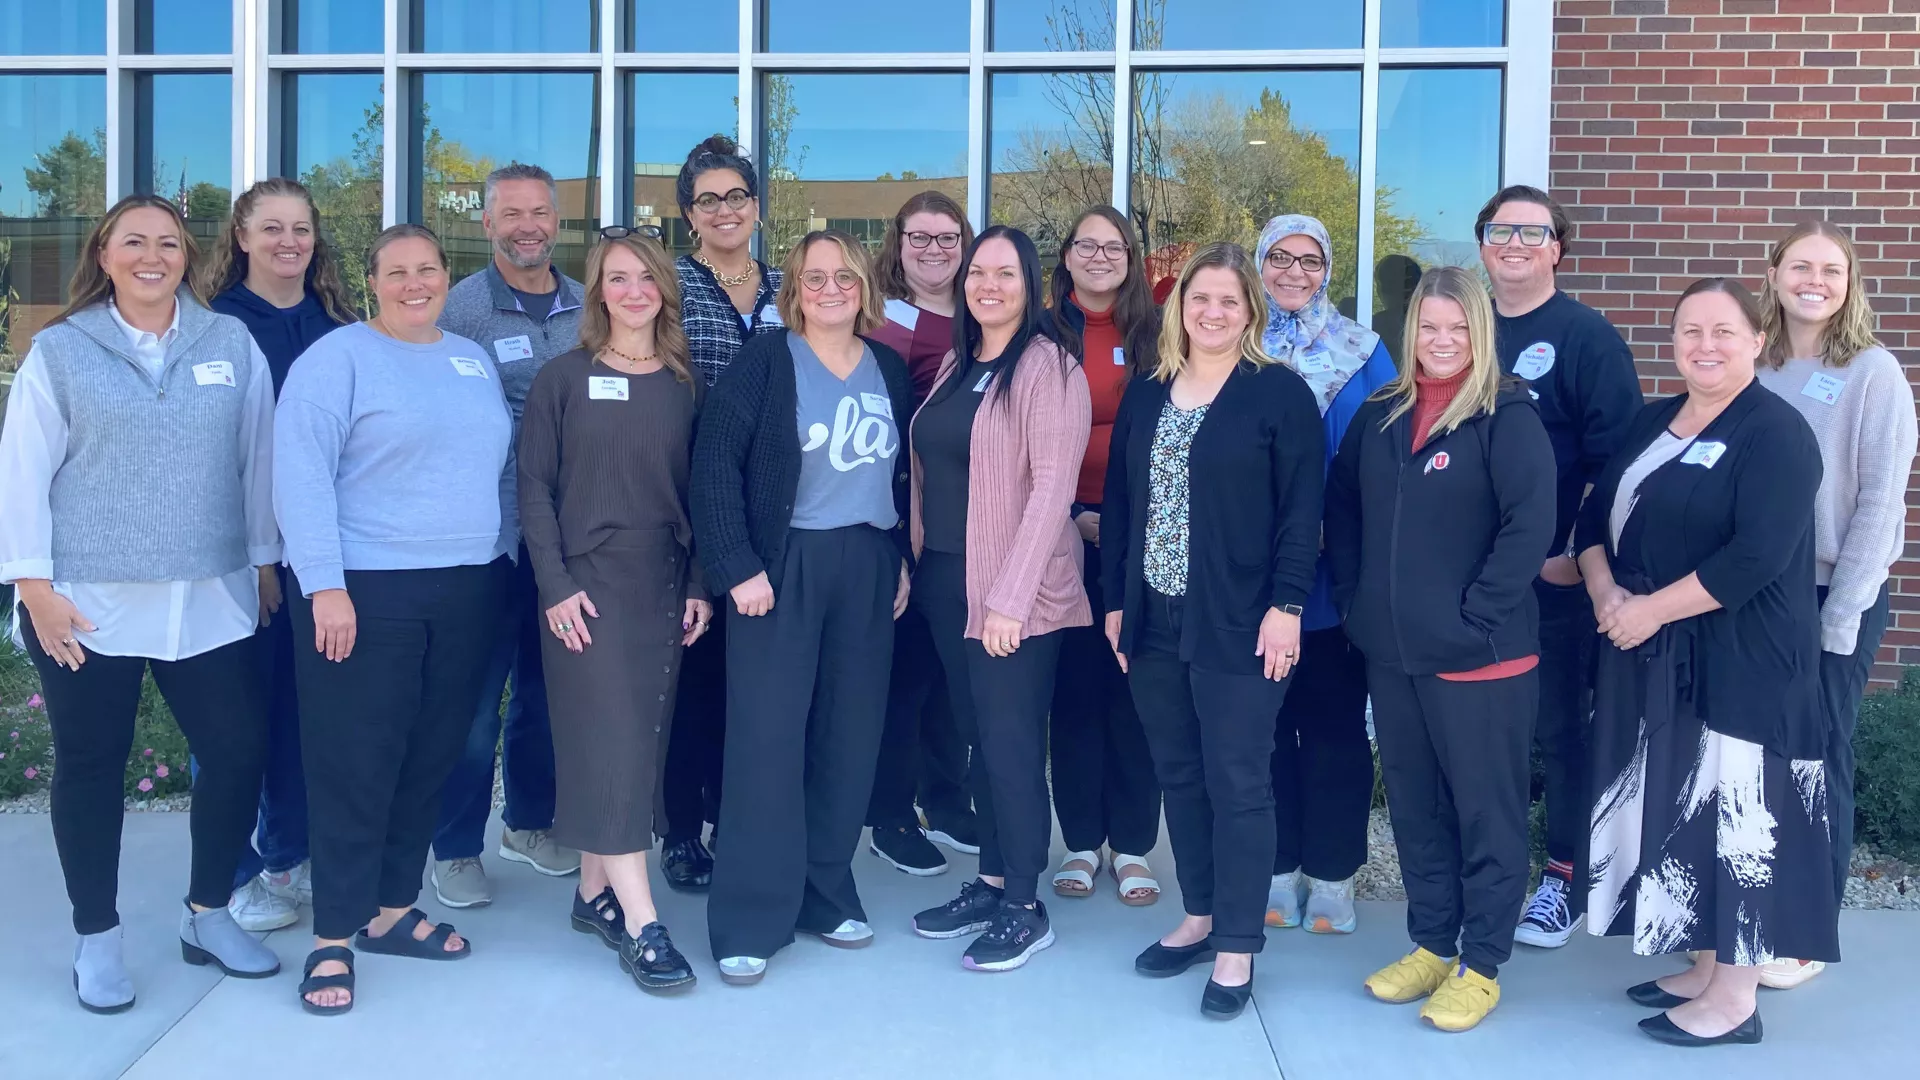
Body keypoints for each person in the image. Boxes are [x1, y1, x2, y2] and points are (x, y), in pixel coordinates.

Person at [0, 194, 282, 1013]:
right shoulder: (62, 349)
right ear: (106, 253)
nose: (152, 255)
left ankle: (208, 915)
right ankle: (97, 938)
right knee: (90, 766)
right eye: (135, 242)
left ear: (187, 258)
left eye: (167, 242)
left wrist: (265, 562)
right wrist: (34, 588)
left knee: (236, 753)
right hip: (88, 605)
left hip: (208, 598)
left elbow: (257, 458)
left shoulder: (229, 342)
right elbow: (20, 474)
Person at [1578, 278, 1835, 1047]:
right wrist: (1604, 594)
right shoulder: (1655, 418)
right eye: (1691, 330)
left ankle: (1735, 999)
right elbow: (1594, 515)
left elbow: (1755, 555)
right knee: (1682, 808)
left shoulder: (1777, 433)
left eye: (1724, 331)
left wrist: (1645, 610)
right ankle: (1702, 963)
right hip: (1649, 649)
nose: (1705, 345)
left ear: (1759, 340)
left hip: (1745, 661)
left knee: (1742, 815)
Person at [277, 224, 516, 1016]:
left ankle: (388, 907)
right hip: (366, 591)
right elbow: (301, 474)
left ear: (449, 277)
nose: (414, 284)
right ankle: (332, 939)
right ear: (371, 281)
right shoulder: (338, 359)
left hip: (467, 586)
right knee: (356, 762)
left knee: (429, 755)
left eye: (428, 270)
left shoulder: (468, 358)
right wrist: (325, 586)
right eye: (397, 272)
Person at [1327, 266, 1556, 1033]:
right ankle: (1431, 943)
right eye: (1430, 326)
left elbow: (1530, 528)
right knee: (1419, 811)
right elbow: (1344, 508)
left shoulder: (1507, 416)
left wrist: (1476, 617)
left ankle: (1482, 963)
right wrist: (1360, 603)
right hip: (1393, 657)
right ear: (1411, 331)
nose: (1443, 340)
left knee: (1486, 814)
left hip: (1481, 658)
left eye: (1459, 327)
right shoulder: (1383, 414)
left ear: (1481, 333)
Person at [1103, 242, 1324, 1020]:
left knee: (1239, 781)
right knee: (1181, 775)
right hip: (1154, 618)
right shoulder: (1149, 391)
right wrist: (1115, 601)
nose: (1214, 312)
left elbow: (1304, 513)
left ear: (1250, 312)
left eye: (1230, 301)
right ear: (1180, 307)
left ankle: (1237, 944)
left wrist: (1287, 606)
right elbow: (1123, 504)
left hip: (1241, 621)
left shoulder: (1279, 396)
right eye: (1201, 299)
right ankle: (1198, 916)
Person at [691, 229, 914, 986]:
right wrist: (736, 567)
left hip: (866, 563)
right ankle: (752, 915)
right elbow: (715, 460)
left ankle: (825, 892)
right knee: (766, 741)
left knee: (848, 738)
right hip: (782, 567)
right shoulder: (767, 360)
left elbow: (903, 479)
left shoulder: (888, 366)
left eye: (843, 276)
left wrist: (901, 560)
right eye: (814, 277)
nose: (829, 289)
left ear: (864, 286)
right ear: (795, 290)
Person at [519, 231, 706, 993]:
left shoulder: (687, 384)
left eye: (645, 278)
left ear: (664, 287)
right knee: (613, 742)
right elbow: (532, 488)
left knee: (638, 744)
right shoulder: (562, 379)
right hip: (584, 589)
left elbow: (704, 495)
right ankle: (643, 922)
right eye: (616, 279)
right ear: (597, 292)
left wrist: (698, 583)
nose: (633, 291)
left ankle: (593, 892)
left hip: (661, 585)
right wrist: (554, 585)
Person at [908, 226, 1091, 973]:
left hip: (1015, 593)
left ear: (1033, 285)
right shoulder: (959, 360)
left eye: (1005, 274)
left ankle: (1025, 903)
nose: (989, 285)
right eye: (978, 272)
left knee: (1012, 747)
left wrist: (1010, 599)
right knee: (978, 738)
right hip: (947, 583)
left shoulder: (1050, 367)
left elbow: (1053, 490)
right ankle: (990, 878)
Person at [1477, 185, 1644, 949]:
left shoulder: (1586, 338)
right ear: (1482, 245)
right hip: (1469, 578)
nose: (1513, 243)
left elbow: (1618, 462)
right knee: (1490, 731)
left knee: (1556, 733)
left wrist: (1575, 552)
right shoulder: (1466, 329)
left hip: (1550, 579)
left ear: (1556, 250)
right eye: (1499, 230)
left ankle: (1565, 881)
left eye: (1530, 232)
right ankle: (1496, 873)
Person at [1753, 222, 1917, 989]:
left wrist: (1841, 616)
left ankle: (1806, 931)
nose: (1814, 280)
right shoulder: (1761, 363)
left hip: (1829, 592)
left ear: (1850, 284)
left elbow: (1883, 503)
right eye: (1800, 266)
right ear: (1775, 272)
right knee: (1758, 762)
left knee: (1819, 760)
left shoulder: (1872, 372)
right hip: (1756, 594)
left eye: (1831, 270)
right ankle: (1753, 915)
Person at [201, 176, 358, 932]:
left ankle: (287, 859)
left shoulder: (338, 327)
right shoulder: (212, 326)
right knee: (233, 722)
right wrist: (259, 557)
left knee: (305, 715)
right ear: (242, 238)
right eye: (272, 229)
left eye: (301, 228)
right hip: (235, 555)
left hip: (319, 559)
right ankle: (229, 875)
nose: (288, 242)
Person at [431, 162, 584, 908]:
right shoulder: (458, 311)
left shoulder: (589, 307)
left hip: (567, 538)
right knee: (470, 699)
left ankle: (527, 823)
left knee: (548, 695)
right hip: (485, 539)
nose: (527, 226)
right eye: (510, 214)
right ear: (487, 223)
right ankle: (455, 846)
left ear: (556, 221)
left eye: (540, 213)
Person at [1253, 214, 1397, 936]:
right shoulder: (1237, 344)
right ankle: (1277, 870)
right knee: (1267, 730)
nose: (1293, 272)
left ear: (1329, 268)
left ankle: (1335, 876)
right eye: (1278, 257)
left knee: (1336, 729)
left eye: (1309, 259)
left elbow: (1390, 456)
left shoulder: (1364, 353)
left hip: (1337, 579)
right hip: (1256, 578)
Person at [663, 135, 788, 892]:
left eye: (736, 196)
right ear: (689, 215)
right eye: (708, 200)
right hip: (687, 505)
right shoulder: (671, 286)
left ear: (756, 206)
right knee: (696, 679)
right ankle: (683, 831)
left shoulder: (791, 288)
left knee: (757, 684)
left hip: (772, 511)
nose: (725, 210)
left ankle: (739, 822)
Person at [1041, 206, 1164, 906]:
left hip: (1141, 541)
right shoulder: (1041, 332)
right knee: (1076, 696)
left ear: (1130, 257)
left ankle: (1136, 846)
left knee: (1136, 692)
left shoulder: (1156, 333)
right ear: (1065, 257)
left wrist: (1113, 522)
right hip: (1058, 538)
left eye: (1112, 245)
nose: (1099, 256)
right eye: (1084, 243)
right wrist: (1071, 518)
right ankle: (1083, 842)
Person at [865, 190, 980, 875]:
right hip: (892, 516)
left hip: (959, 520)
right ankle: (889, 813)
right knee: (902, 675)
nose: (934, 250)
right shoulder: (876, 317)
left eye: (947, 238)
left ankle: (946, 795)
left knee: (948, 673)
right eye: (920, 238)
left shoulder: (981, 313)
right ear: (897, 243)